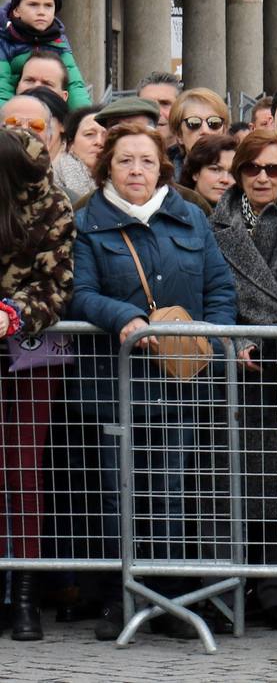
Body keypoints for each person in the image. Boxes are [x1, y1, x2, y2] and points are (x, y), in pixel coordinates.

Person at [68, 122, 237, 641]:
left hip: (179, 385)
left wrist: (213, 339)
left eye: (145, 160)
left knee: (169, 494)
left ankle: (169, 599)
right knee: (117, 496)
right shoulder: (86, 222)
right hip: (113, 387)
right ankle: (122, 599)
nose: (136, 170)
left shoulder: (190, 217)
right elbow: (78, 292)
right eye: (124, 161)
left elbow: (219, 289)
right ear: (107, 168)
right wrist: (122, 317)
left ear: (161, 167)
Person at [205, 128, 277, 632]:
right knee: (224, 479)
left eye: (274, 169)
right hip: (230, 368)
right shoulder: (210, 225)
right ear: (239, 172)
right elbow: (207, 293)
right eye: (254, 168)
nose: (263, 178)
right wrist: (230, 342)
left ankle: (274, 588)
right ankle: (226, 585)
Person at [0, 127, 72, 642]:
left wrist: (13, 312)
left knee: (23, 472)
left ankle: (25, 597)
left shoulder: (52, 205)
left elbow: (58, 281)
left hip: (31, 353)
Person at [0, 0, 90, 107]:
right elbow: (2, 87)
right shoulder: (4, 39)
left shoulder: (59, 41)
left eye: (48, 6)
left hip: (52, 112)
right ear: (16, 10)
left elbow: (74, 85)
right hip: (16, 116)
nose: (41, 12)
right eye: (33, 4)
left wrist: (84, 117)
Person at [168, 89, 231, 170]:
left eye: (214, 122)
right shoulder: (162, 177)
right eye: (194, 123)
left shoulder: (241, 175)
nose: (205, 130)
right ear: (179, 134)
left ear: (224, 130)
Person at [54, 104, 104, 203]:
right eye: (89, 134)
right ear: (70, 143)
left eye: (106, 135)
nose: (99, 141)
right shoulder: (52, 184)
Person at [178, 133, 239, 206]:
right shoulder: (174, 210)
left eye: (232, 173)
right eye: (215, 170)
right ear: (196, 173)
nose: (225, 180)